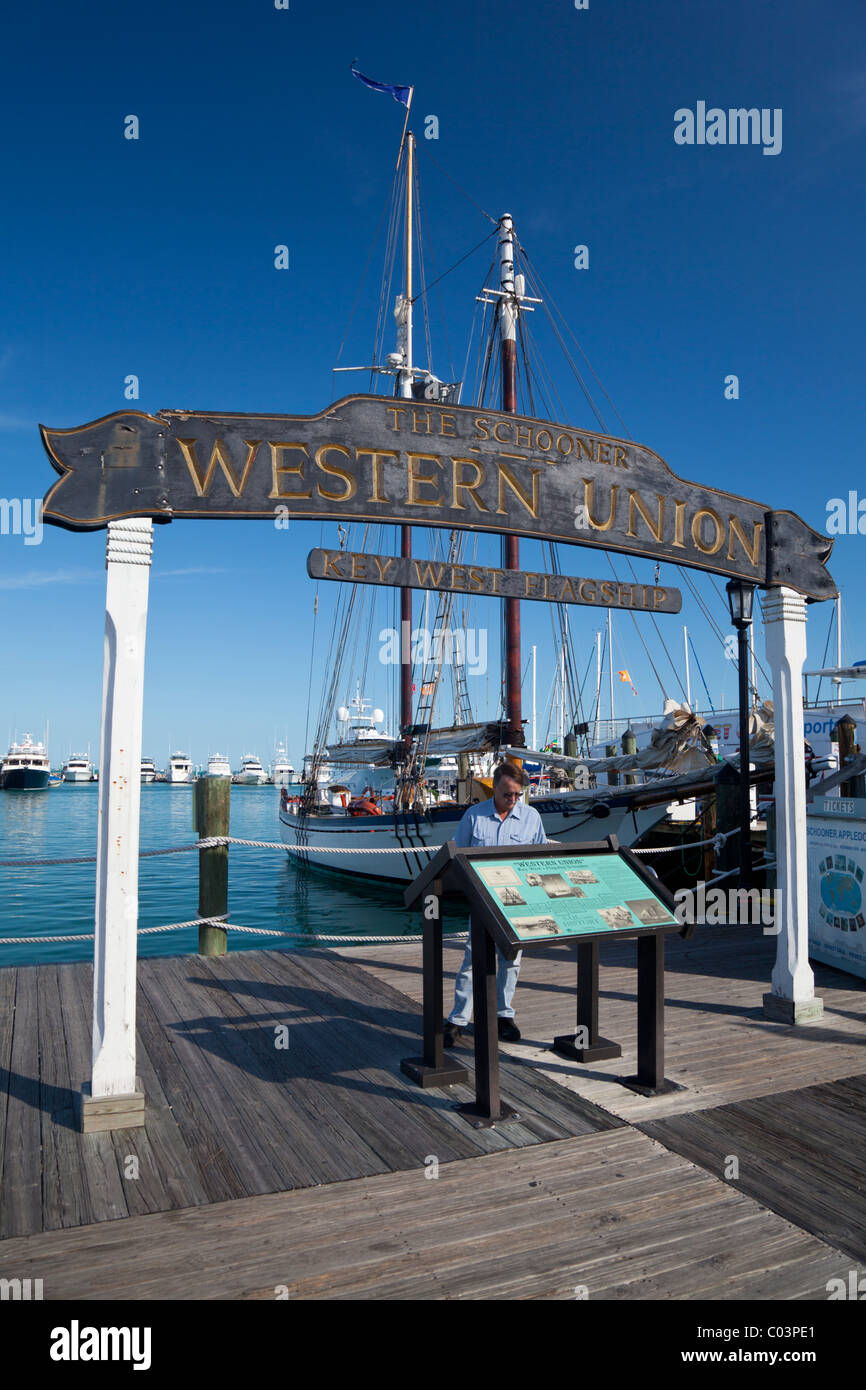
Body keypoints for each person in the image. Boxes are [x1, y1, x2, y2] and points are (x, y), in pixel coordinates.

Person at [444, 761, 547, 1046]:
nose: (512, 800)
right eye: (507, 794)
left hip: (517, 902)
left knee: (511, 960)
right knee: (472, 959)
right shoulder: (474, 816)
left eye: (517, 795)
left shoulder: (532, 817)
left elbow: (538, 860)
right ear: (495, 787)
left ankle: (503, 1014)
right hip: (482, 899)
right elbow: (457, 856)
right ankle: (458, 1019)